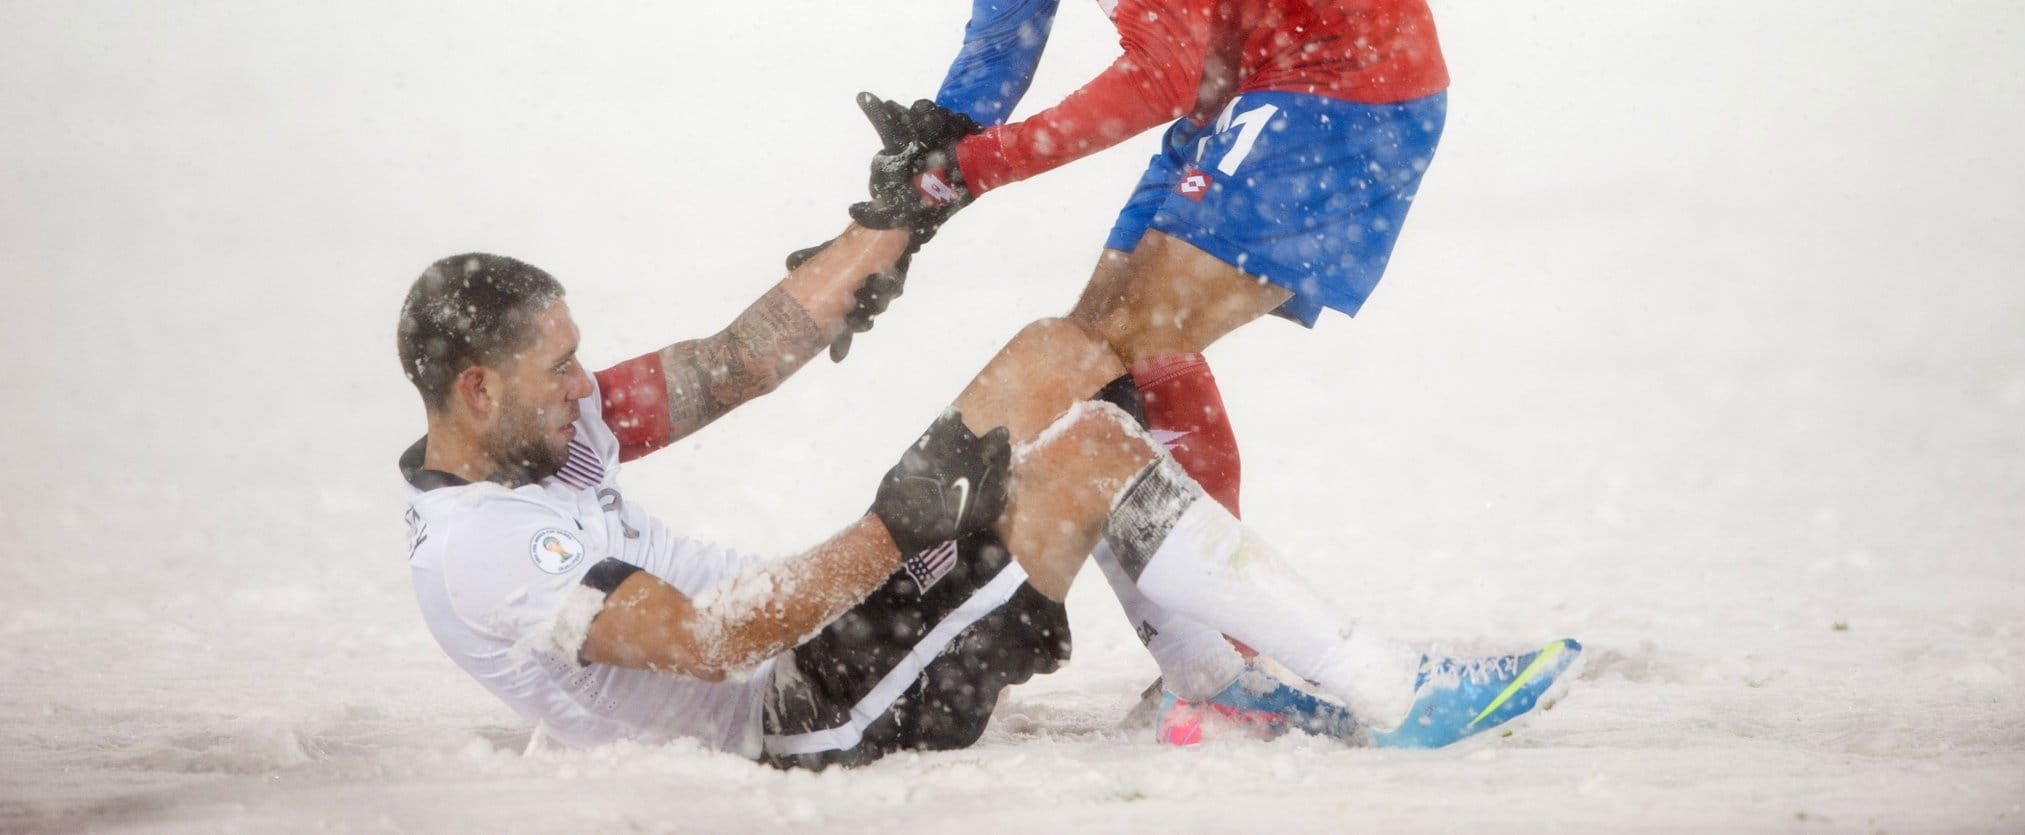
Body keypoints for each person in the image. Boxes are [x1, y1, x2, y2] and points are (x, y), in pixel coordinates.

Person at [862, 0, 1453, 739]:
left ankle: (1250, 663)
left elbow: (1156, 78)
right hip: (1252, 89)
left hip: (1343, 87)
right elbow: (1005, 29)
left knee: (1104, 357)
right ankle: (1206, 663)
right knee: (1102, 358)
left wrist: (969, 173)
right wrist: (940, 133)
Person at [395, 230, 1579, 765]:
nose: (582, 384)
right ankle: (1384, 691)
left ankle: (1216, 679)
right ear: (476, 386)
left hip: (828, 631)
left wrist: (892, 224)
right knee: (1093, 458)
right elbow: (713, 641)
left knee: (1052, 357)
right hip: (800, 716)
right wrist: (898, 524)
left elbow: (734, 360)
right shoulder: (482, 548)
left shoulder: (545, 432)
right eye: (558, 367)